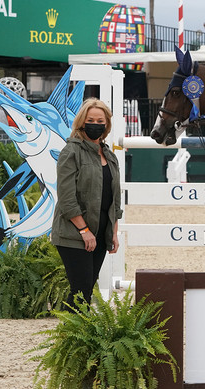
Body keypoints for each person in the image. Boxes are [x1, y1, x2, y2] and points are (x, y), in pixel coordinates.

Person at [51, 98, 122, 310]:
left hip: (100, 232)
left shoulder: (109, 155)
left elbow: (114, 198)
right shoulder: (70, 152)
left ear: (106, 124)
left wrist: (114, 232)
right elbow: (66, 197)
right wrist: (84, 230)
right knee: (81, 291)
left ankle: (71, 335)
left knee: (86, 290)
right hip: (74, 233)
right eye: (90, 119)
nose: (95, 124)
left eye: (100, 120)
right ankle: (74, 337)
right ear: (82, 122)